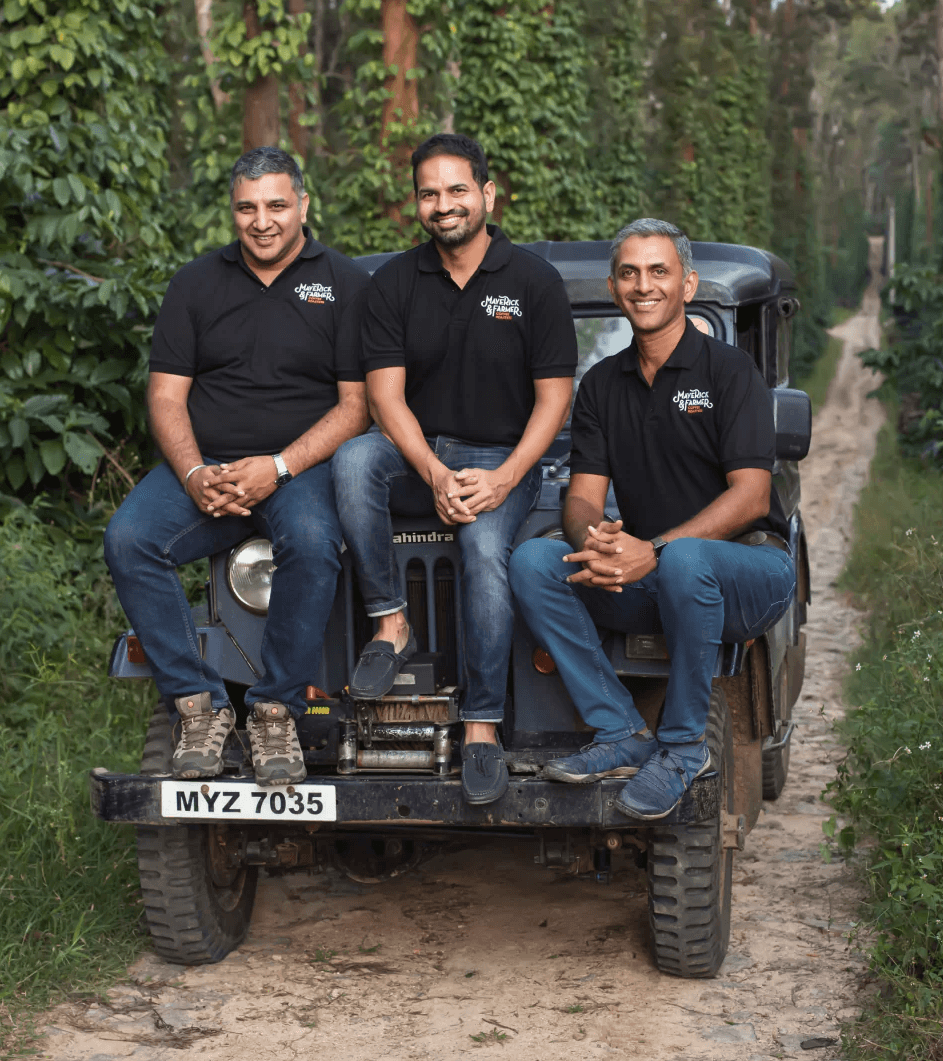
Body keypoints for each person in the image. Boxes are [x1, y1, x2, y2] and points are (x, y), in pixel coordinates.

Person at [508, 218, 797, 821]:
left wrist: (655, 548)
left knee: (687, 560)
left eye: (659, 272)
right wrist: (597, 541)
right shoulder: (601, 387)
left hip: (750, 572)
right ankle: (619, 732)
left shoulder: (729, 372)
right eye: (630, 273)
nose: (645, 286)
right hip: (656, 574)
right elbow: (584, 496)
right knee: (536, 561)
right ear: (615, 288)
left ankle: (685, 747)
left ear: (687, 285)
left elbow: (750, 496)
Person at [104, 147, 369, 788]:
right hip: (209, 468)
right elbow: (166, 396)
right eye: (247, 207)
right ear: (233, 212)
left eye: (277, 204)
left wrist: (277, 467)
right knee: (130, 539)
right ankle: (198, 707)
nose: (262, 220)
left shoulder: (345, 283)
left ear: (303, 205)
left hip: (298, 470)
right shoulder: (195, 284)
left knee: (312, 543)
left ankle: (275, 709)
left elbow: (357, 407)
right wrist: (195, 474)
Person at [332, 133, 577, 806]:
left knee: (482, 544)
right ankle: (391, 623)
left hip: (507, 455)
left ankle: (480, 727)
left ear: (488, 194)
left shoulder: (534, 283)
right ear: (417, 203)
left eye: (458, 189)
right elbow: (383, 396)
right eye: (429, 193)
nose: (444, 205)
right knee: (353, 460)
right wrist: (436, 473)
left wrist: (501, 479)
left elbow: (555, 398)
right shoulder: (394, 284)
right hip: (421, 449)